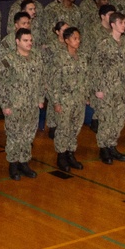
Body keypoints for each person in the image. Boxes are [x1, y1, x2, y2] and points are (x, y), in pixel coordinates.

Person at [0, 27, 45, 179]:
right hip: (15, 105)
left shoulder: (36, 57)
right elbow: (2, 83)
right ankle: (13, 164)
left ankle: (24, 162)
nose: (29, 43)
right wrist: (5, 105)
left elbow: (40, 80)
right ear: (17, 41)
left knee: (28, 135)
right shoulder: (8, 60)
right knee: (14, 135)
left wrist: (40, 99)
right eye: (25, 40)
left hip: (31, 105)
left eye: (30, 40)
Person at [90, 8, 125, 163]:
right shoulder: (104, 44)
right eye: (121, 23)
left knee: (118, 119)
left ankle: (112, 145)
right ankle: (103, 149)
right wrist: (98, 88)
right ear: (113, 25)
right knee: (106, 119)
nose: (124, 25)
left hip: (121, 88)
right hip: (107, 88)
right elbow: (96, 67)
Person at [48, 26, 89, 172]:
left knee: (75, 128)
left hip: (79, 99)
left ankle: (71, 153)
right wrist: (56, 102)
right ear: (66, 40)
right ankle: (61, 156)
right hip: (65, 100)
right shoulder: (59, 57)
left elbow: (85, 78)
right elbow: (53, 81)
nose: (78, 41)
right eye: (74, 38)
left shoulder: (82, 56)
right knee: (63, 129)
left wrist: (86, 95)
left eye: (79, 38)